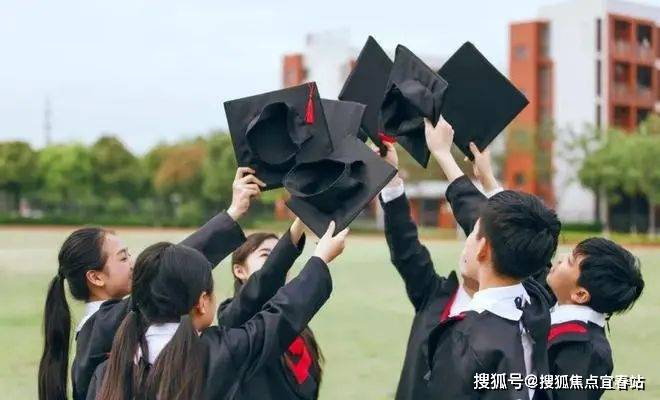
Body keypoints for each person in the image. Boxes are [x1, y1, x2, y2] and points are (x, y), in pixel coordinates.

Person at [38, 167, 263, 400]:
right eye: (123, 258)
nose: (134, 264)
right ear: (96, 277)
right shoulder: (101, 326)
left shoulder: (100, 326)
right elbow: (168, 269)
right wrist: (233, 212)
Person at [92, 221, 348, 400]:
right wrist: (320, 259)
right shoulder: (220, 353)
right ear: (202, 302)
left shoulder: (108, 370)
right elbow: (282, 315)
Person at [404, 117, 560, 399]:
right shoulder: (537, 304)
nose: (468, 236)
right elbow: (505, 231)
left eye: (473, 232)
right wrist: (459, 165)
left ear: (483, 248)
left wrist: (443, 154)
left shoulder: (464, 340)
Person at [376, 133, 504, 400]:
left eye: (475, 236)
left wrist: (488, 181)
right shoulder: (436, 296)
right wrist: (391, 181)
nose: (468, 244)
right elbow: (405, 247)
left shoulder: (515, 320)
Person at [218, 218, 325, 399]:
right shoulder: (233, 318)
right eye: (266, 255)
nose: (280, 262)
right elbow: (268, 277)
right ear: (239, 271)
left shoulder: (295, 319)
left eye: (279, 254)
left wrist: (304, 216)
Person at [546, 237, 644, 400]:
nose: (560, 258)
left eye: (569, 262)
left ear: (580, 294)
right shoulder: (552, 302)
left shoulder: (583, 349)